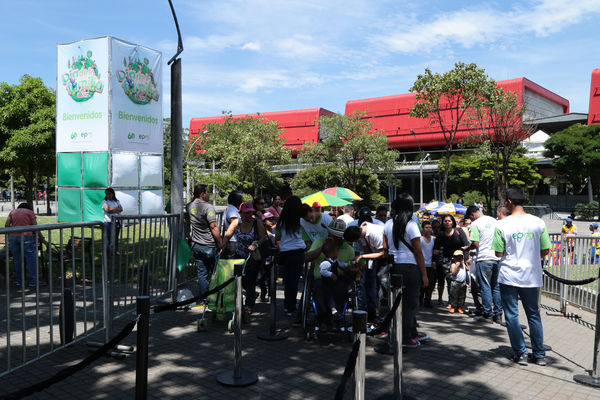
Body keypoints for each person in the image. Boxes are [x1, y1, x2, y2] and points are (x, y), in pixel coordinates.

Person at [492, 186, 550, 366]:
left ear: (509, 201)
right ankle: (539, 354)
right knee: (534, 315)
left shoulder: (501, 224)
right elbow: (545, 250)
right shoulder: (538, 222)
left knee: (511, 316)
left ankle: (521, 354)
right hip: (532, 276)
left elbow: (498, 253)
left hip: (509, 275)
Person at [383, 193, 429, 349]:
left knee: (397, 303)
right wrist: (424, 274)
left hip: (394, 266)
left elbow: (385, 248)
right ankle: (405, 338)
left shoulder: (388, 223)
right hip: (410, 267)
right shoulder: (411, 224)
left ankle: (411, 332)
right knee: (410, 304)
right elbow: (418, 251)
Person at [343, 219, 386, 322]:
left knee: (373, 287)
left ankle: (373, 314)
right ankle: (364, 314)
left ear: (358, 238)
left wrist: (362, 256)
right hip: (371, 259)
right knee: (365, 285)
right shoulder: (362, 231)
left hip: (385, 260)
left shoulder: (375, 233)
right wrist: (363, 266)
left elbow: (382, 253)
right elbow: (367, 249)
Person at [467, 205, 502, 322]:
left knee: (485, 287)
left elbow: (475, 243)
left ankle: (487, 313)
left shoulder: (475, 224)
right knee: (496, 287)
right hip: (497, 258)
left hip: (484, 258)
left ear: (472, 215)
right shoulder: (494, 220)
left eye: (470, 218)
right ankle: (498, 314)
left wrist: (467, 248)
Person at [186, 184, 223, 296]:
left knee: (202, 273)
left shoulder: (189, 206)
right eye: (208, 192)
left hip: (196, 245)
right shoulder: (208, 207)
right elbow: (213, 226)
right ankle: (213, 297)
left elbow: (187, 219)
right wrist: (220, 243)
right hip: (209, 245)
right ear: (202, 194)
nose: (209, 194)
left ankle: (204, 297)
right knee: (214, 272)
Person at [275, 196, 307, 316]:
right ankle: (291, 307)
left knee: (287, 281)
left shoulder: (282, 221)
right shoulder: (302, 220)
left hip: (284, 253)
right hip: (298, 253)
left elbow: (278, 237)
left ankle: (287, 306)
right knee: (294, 282)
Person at [234, 202, 266, 312]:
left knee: (251, 279)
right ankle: (251, 295)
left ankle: (248, 305)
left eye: (250, 212)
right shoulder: (236, 222)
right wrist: (222, 244)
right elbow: (227, 235)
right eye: (246, 213)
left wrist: (255, 244)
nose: (248, 215)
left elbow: (263, 238)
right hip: (240, 256)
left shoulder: (257, 222)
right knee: (241, 280)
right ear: (240, 213)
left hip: (254, 256)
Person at [433, 214, 470, 306]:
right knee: (450, 281)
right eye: (445, 221)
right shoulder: (441, 234)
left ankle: (459, 302)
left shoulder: (459, 231)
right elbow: (436, 249)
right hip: (446, 261)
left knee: (460, 281)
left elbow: (466, 245)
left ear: (453, 222)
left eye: (449, 221)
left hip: (459, 260)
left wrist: (466, 259)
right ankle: (451, 302)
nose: (447, 222)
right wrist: (434, 261)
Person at [6, 203, 46, 287]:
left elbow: (7, 225)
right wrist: (43, 240)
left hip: (13, 237)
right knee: (30, 259)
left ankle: (19, 281)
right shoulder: (30, 212)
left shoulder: (12, 212)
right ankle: (33, 281)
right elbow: (36, 227)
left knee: (17, 259)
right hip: (26, 236)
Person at [319, 240, 351, 327]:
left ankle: (349, 289)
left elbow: (340, 264)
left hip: (335, 281)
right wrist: (331, 274)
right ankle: (333, 309)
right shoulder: (326, 263)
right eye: (337, 251)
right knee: (330, 294)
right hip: (327, 282)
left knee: (345, 278)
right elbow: (322, 271)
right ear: (331, 253)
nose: (338, 252)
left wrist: (346, 265)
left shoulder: (335, 260)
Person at [222, 191, 244, 259]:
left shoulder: (232, 209)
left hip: (234, 241)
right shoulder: (232, 210)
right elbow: (235, 223)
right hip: (233, 241)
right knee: (234, 263)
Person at [419, 221, 436, 308]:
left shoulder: (434, 239)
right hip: (422, 265)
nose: (429, 229)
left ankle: (428, 301)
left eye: (430, 227)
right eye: (427, 227)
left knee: (431, 284)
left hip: (431, 265)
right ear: (423, 229)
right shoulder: (420, 239)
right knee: (422, 284)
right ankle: (420, 299)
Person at [102, 188, 123, 255]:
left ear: (113, 193)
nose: (108, 195)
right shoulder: (104, 201)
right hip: (108, 222)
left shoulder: (117, 201)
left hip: (117, 222)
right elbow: (107, 210)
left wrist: (112, 210)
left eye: (109, 193)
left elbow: (121, 209)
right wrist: (116, 209)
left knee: (116, 237)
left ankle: (115, 251)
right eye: (106, 194)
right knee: (108, 239)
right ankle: (108, 252)